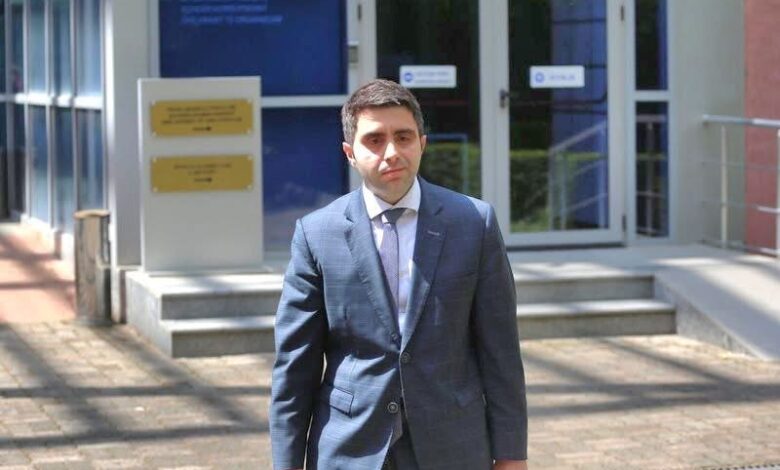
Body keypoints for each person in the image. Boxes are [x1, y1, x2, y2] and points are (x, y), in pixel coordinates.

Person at [269, 79, 528, 470]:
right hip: (350, 448)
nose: (391, 152)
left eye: (403, 137)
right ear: (350, 153)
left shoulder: (474, 223)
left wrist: (511, 455)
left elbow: (501, 352)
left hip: (453, 445)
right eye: (374, 140)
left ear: (422, 143)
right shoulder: (316, 234)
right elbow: (295, 367)